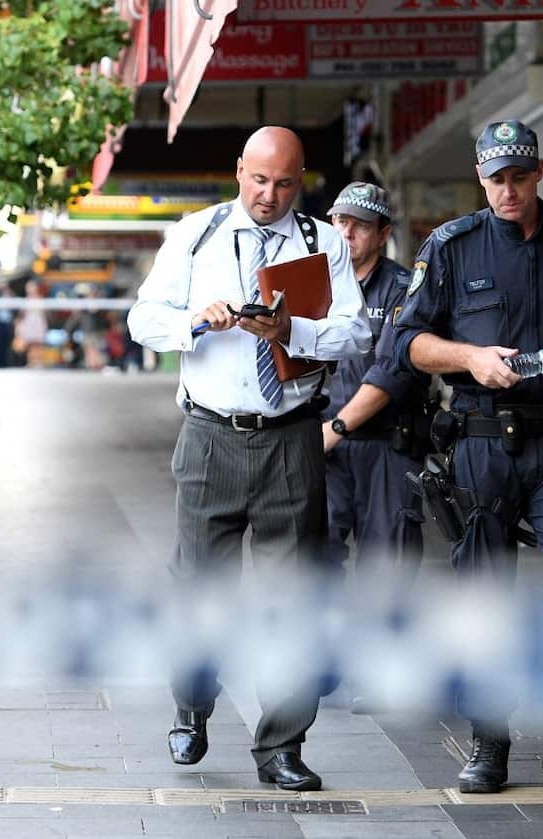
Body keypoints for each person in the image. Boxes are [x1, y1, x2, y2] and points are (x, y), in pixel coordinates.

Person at [392, 120, 543, 795]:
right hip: (480, 438)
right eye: (497, 177)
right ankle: (489, 740)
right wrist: (469, 357)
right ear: (481, 176)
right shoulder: (450, 247)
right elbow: (408, 342)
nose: (509, 189)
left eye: (520, 176)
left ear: (538, 175)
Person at [127, 126, 371, 791]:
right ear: (239, 171)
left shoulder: (322, 243)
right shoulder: (197, 233)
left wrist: (291, 328)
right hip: (209, 436)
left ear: (302, 180)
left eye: (285, 183)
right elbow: (141, 318)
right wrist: (195, 323)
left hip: (292, 435)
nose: (269, 195)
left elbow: (355, 332)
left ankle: (282, 745)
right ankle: (191, 706)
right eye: (259, 180)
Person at [319, 181, 432, 713]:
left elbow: (394, 372)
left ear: (384, 233)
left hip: (387, 444)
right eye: (339, 221)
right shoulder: (314, 285)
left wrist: (335, 427)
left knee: (386, 562)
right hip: (326, 447)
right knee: (315, 549)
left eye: (359, 224)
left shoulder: (406, 290)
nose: (346, 232)